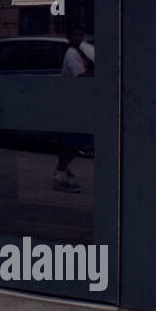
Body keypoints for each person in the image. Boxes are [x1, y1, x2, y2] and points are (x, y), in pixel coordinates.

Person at [54, 27, 94, 193]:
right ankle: (61, 172)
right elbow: (80, 76)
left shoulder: (81, 51)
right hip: (72, 105)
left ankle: (62, 170)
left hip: (79, 104)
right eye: (74, 35)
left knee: (76, 142)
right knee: (72, 141)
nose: (78, 38)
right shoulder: (71, 53)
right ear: (68, 37)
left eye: (80, 35)